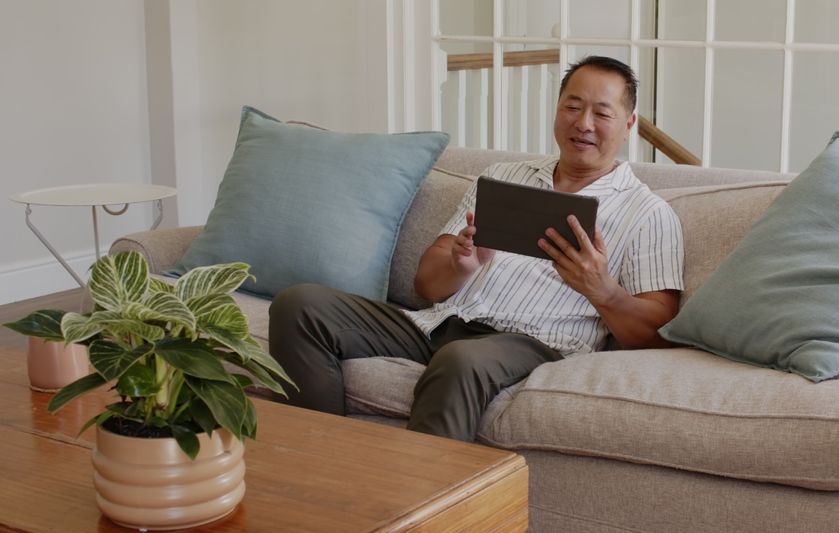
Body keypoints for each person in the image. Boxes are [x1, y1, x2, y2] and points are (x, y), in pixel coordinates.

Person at [269, 56, 684, 441]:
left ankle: (422, 516)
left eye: (602, 113)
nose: (584, 123)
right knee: (300, 305)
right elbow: (427, 286)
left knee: (461, 360)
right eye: (572, 107)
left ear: (628, 123)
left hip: (531, 343)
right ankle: (316, 461)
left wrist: (602, 290)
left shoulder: (647, 212)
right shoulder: (504, 177)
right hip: (438, 322)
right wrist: (461, 265)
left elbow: (659, 334)